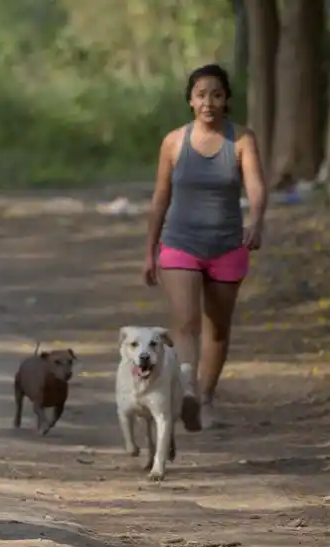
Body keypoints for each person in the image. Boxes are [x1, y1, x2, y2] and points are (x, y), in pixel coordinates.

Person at [142, 63, 267, 431]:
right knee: (186, 323)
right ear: (190, 101)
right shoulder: (173, 142)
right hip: (180, 243)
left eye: (216, 94)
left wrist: (256, 221)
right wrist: (150, 250)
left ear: (226, 99)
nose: (208, 102)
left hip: (228, 245)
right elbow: (160, 198)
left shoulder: (242, 139)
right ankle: (189, 391)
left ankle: (207, 398)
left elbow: (256, 186)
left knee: (218, 329)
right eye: (201, 95)